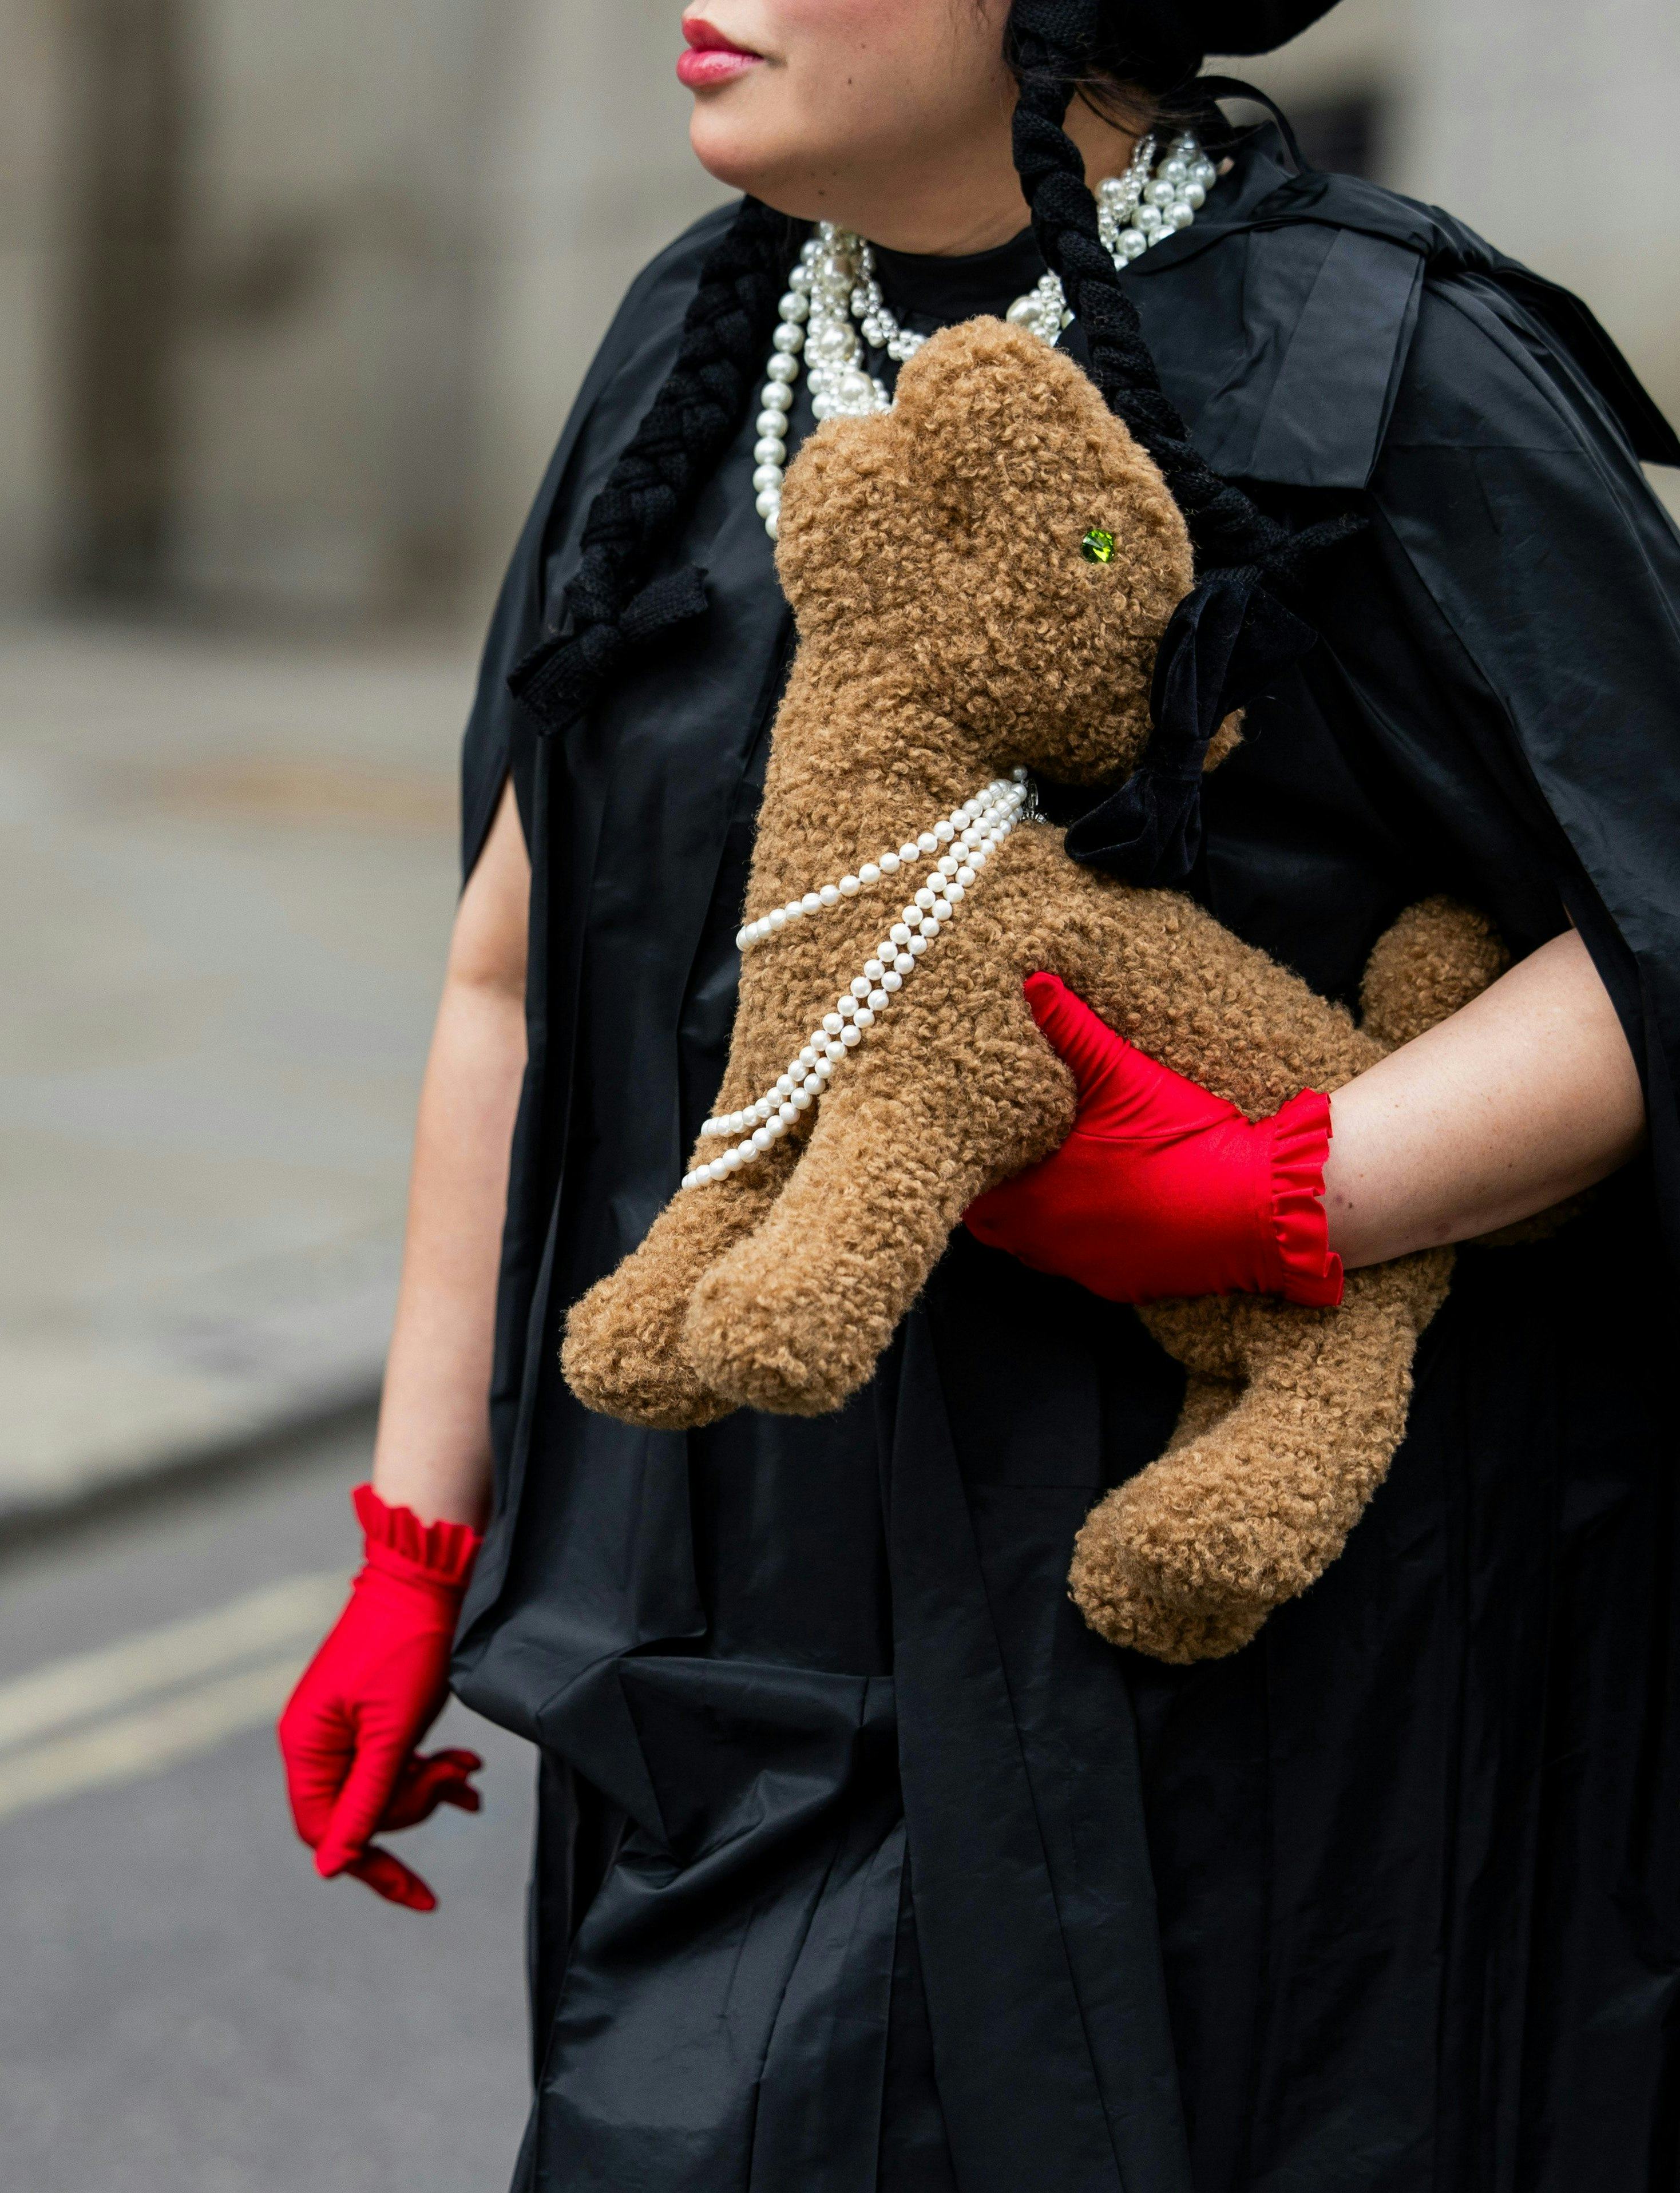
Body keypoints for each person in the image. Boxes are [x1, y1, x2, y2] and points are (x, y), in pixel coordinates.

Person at [277, 1, 1680, 2184]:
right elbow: (510, 978)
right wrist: (411, 1541)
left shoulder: (1378, 365)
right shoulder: (699, 347)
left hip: (1246, 1720)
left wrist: (1289, 1183)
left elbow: (1655, 915)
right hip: (743, 1661)